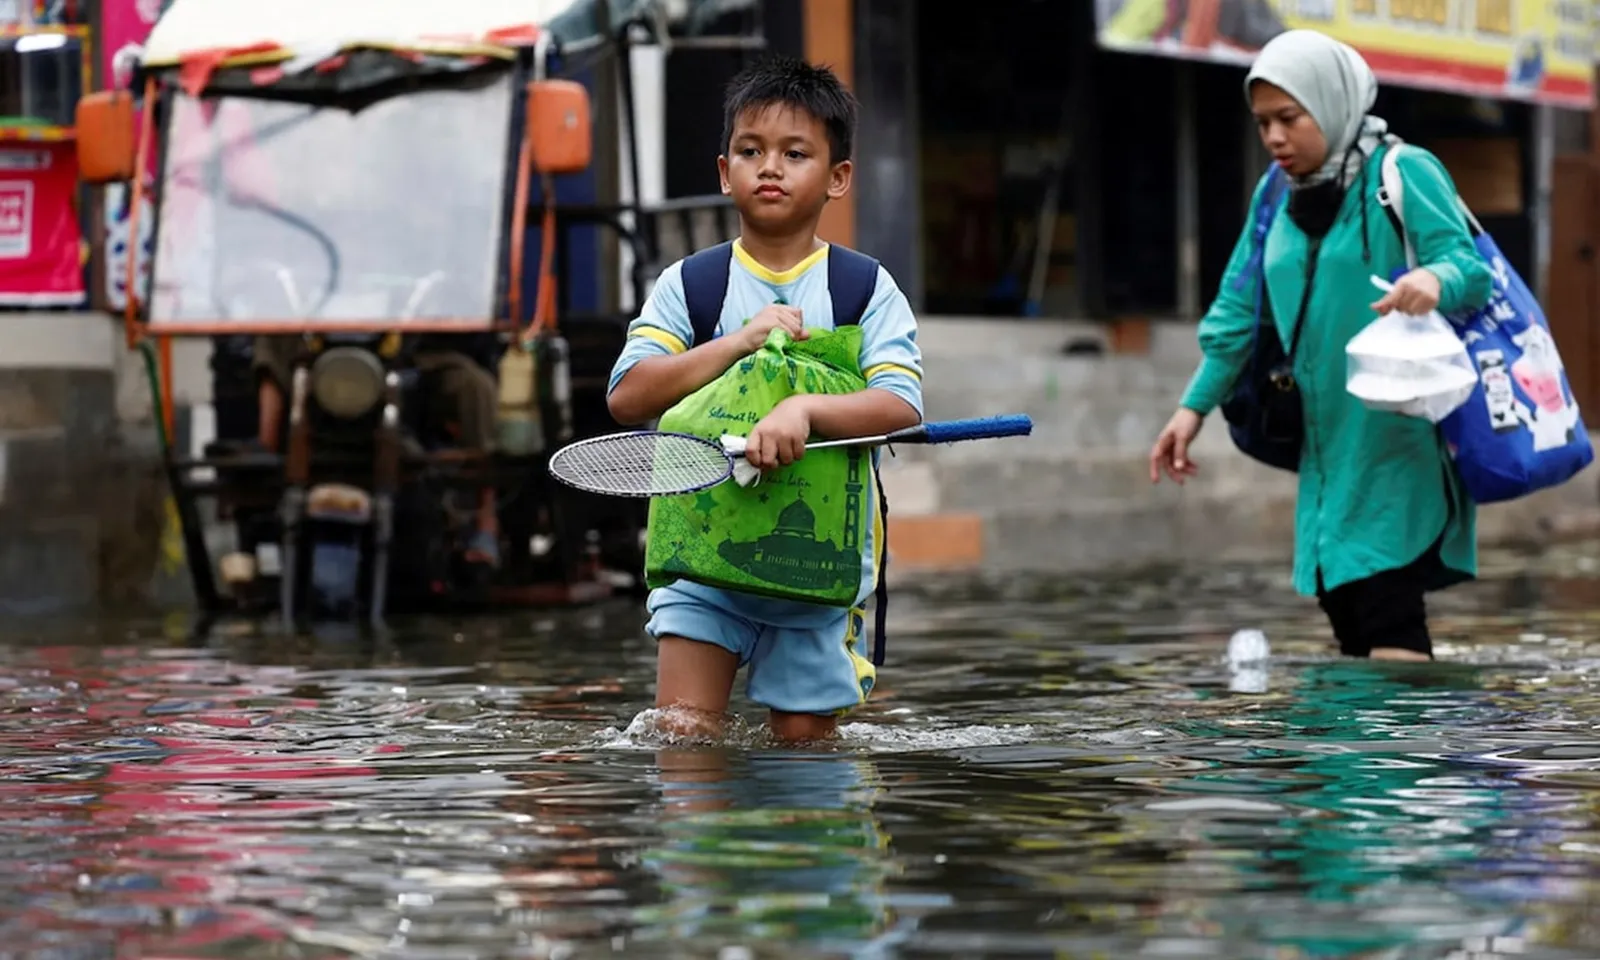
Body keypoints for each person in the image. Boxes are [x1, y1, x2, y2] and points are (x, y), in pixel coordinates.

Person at [1148, 30, 1493, 662]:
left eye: (1290, 118)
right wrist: (1190, 410)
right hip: (1324, 443)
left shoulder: (1402, 172)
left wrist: (1431, 279)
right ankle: (1362, 755)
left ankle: (1398, 755)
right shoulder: (1275, 195)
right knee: (1347, 613)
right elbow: (1234, 312)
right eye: (1262, 123)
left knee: (1386, 607)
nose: (1275, 138)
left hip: (1398, 435)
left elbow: (1470, 270)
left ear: (1333, 104)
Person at [606, 56, 923, 743]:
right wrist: (735, 344)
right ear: (726, 173)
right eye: (751, 152)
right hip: (700, 562)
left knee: (805, 754)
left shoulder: (864, 290)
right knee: (683, 741)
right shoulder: (691, 286)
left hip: (815, 574)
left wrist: (804, 410)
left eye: (795, 153)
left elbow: (900, 405)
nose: (770, 167)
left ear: (838, 177)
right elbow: (629, 397)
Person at [254, 333, 503, 568]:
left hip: (404, 341)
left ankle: (485, 520)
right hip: (322, 340)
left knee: (477, 386)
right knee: (274, 334)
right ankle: (266, 450)